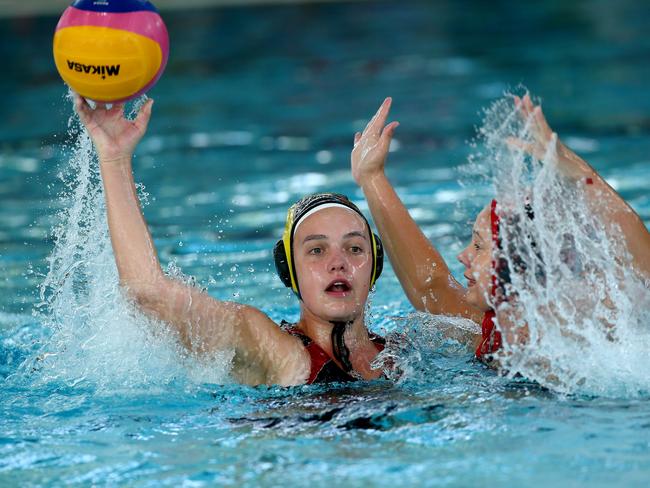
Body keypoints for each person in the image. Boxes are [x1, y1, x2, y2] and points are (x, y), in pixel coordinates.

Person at [74, 95, 387, 386]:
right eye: (316, 250)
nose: (338, 263)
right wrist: (115, 160)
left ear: (375, 266)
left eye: (354, 248)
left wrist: (373, 178)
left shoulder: (404, 352)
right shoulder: (274, 350)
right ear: (289, 272)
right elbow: (148, 293)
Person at [351, 95, 650, 361]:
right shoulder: (500, 328)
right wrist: (372, 179)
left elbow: (644, 272)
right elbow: (432, 288)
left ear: (519, 262)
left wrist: (581, 175)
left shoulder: (587, 327)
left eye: (479, 246)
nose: (464, 256)